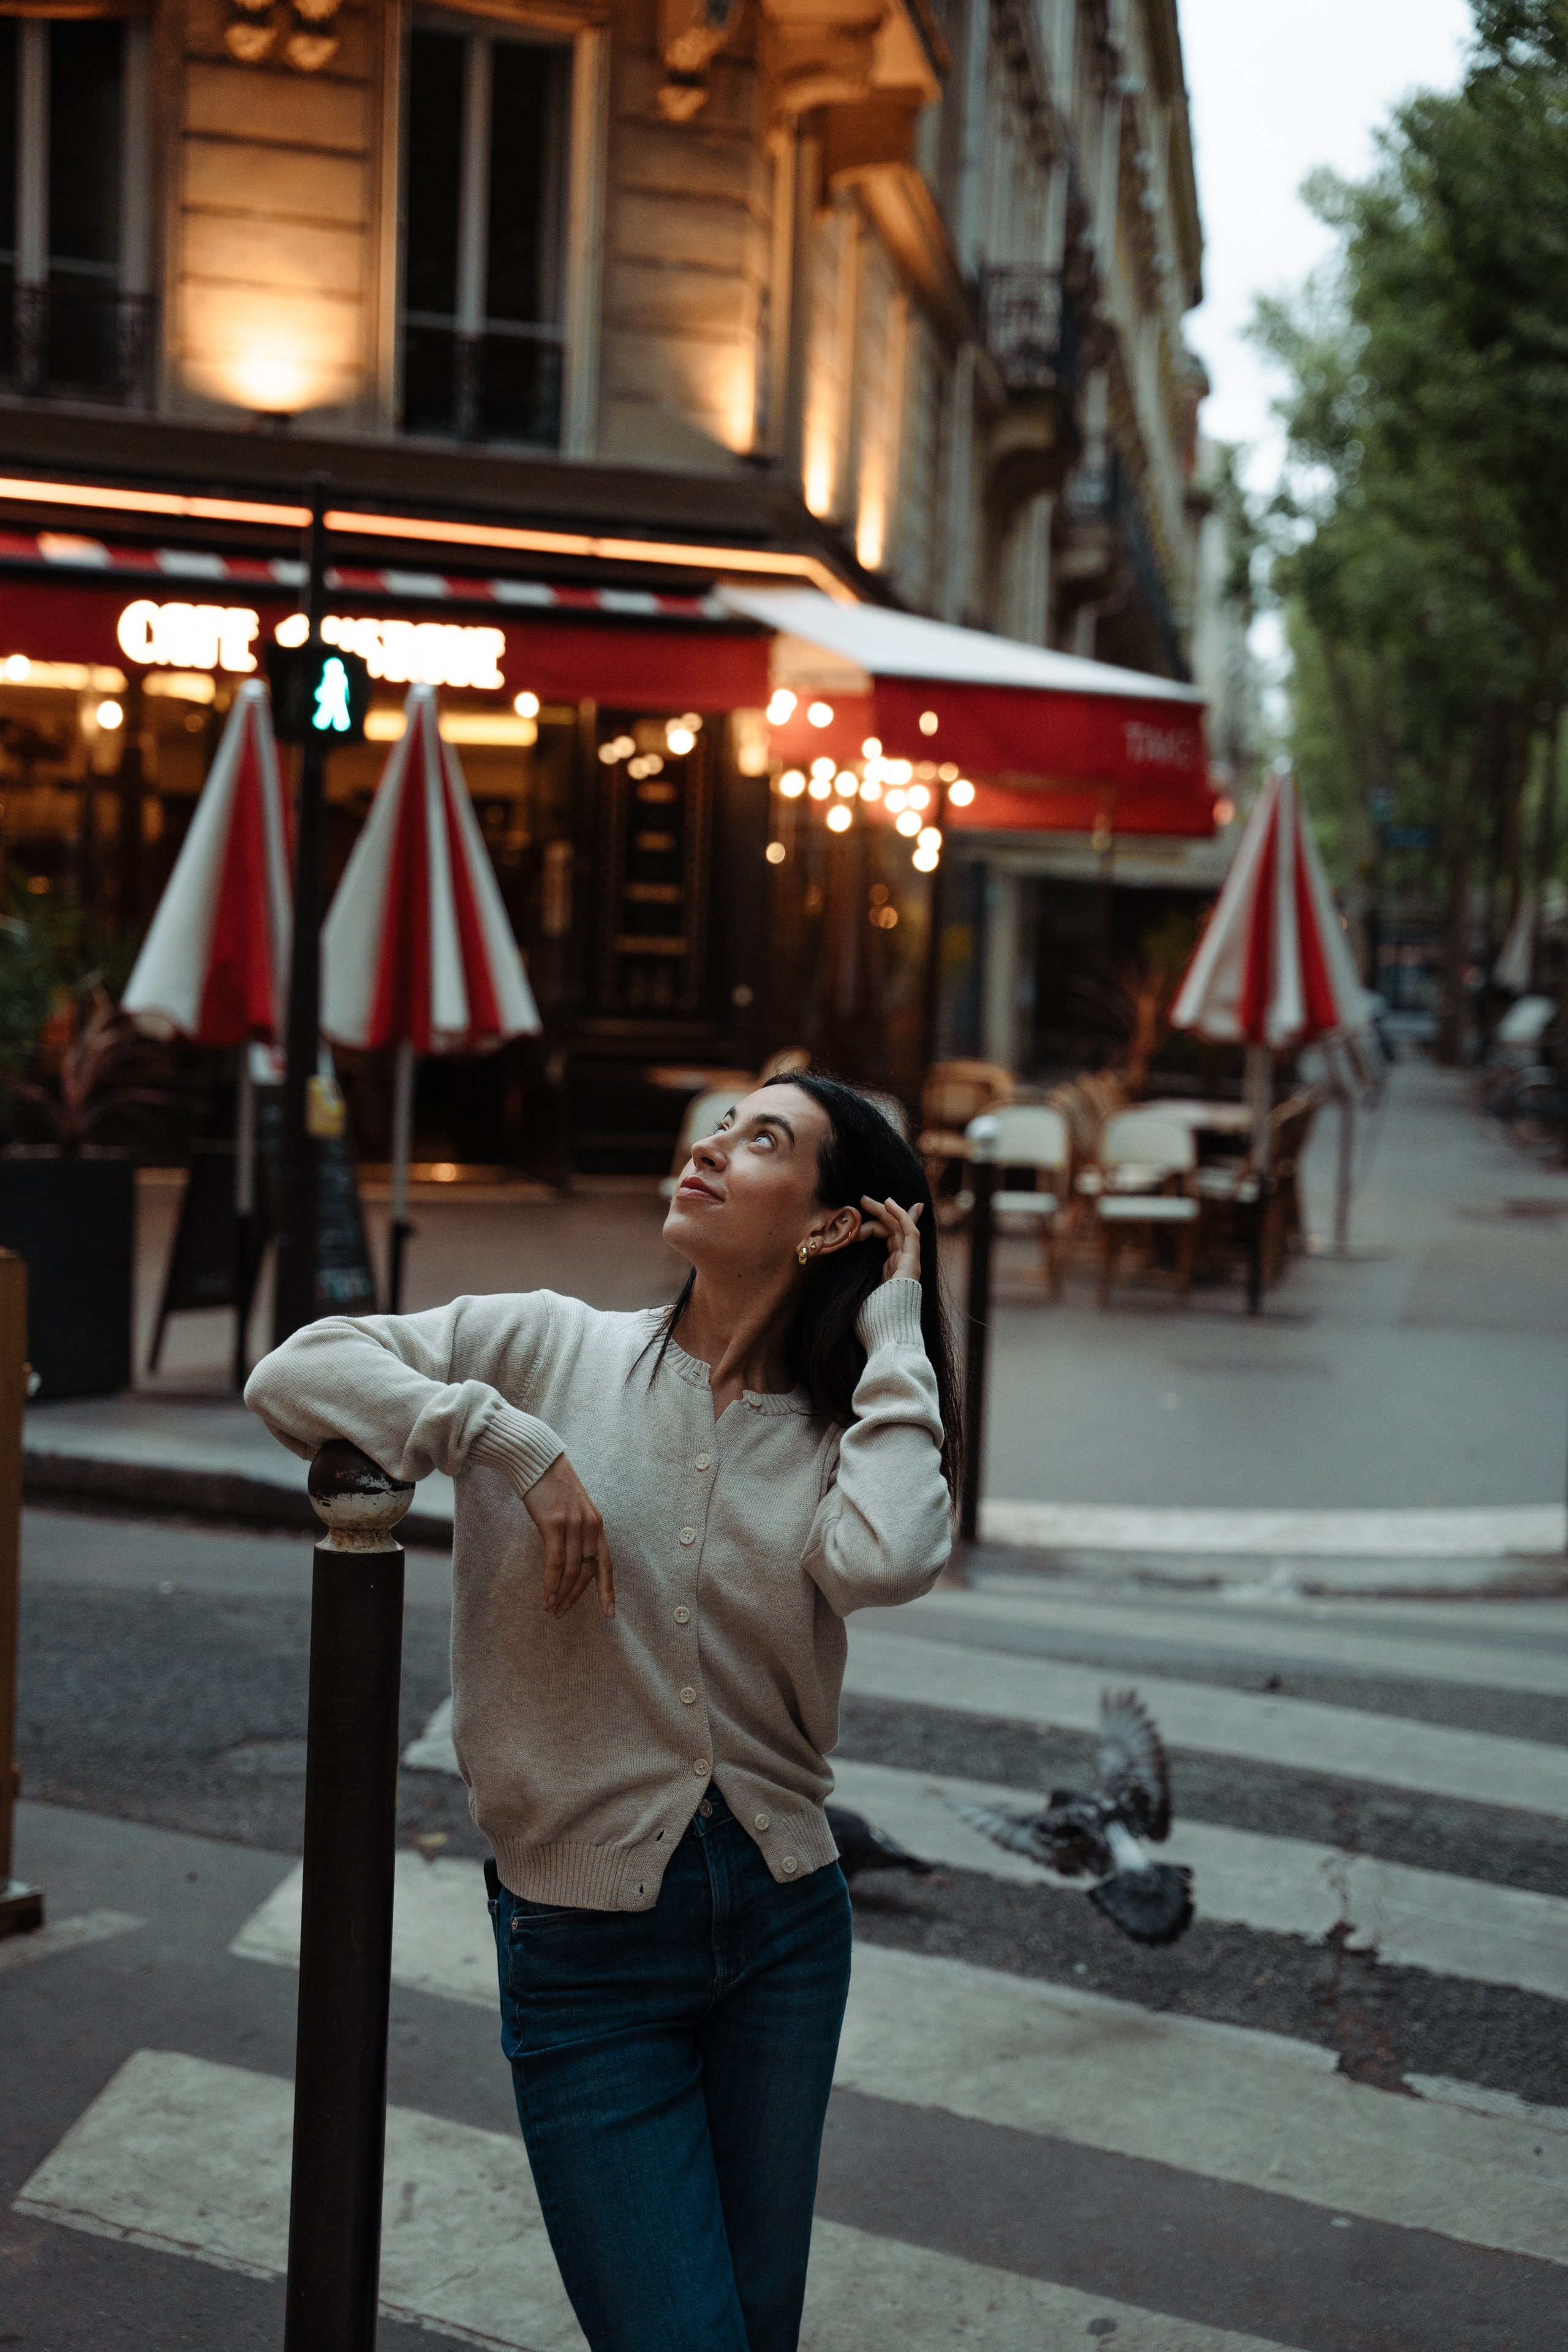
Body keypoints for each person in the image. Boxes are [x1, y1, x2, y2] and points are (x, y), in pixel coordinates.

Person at [244, 1071, 959, 2352]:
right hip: (585, 1948)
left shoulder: (834, 1431)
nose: (710, 1146)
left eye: (763, 1139)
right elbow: (295, 1371)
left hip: (786, 1926)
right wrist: (505, 1443)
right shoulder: (545, 1347)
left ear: (831, 1224)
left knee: (752, 2332)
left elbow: (890, 1556)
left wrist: (893, 1334)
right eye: (719, 1124)